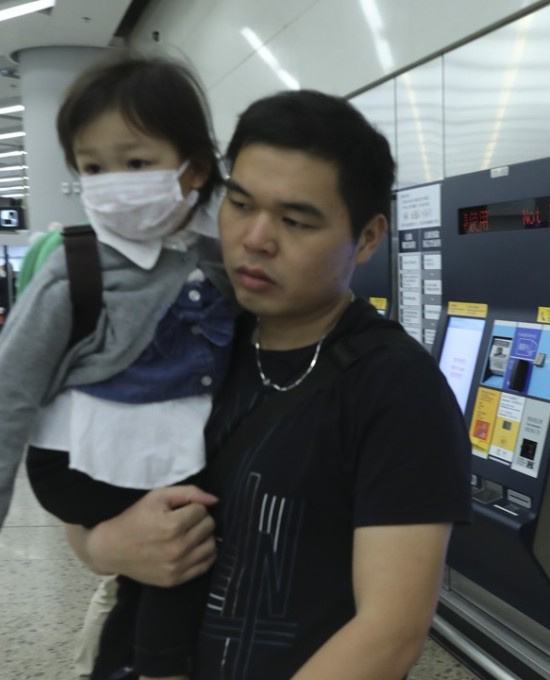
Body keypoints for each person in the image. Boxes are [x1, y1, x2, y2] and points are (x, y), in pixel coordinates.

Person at [74, 89, 473, 679]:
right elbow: (79, 500)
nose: (255, 239)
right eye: (240, 204)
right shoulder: (183, 333)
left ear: (366, 237)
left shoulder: (395, 388)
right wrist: (108, 546)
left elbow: (389, 632)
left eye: (294, 220)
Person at [0, 52, 233, 680]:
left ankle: (138, 659)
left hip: (163, 451)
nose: (111, 182)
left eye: (135, 163)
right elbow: (9, 391)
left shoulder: (217, 260)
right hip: (88, 459)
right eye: (93, 167)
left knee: (167, 564)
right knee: (181, 544)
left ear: (195, 170)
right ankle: (153, 666)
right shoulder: (73, 268)